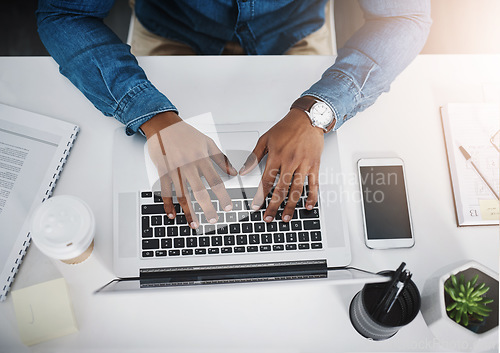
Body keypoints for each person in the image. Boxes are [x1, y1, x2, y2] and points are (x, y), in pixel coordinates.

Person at [36, 0, 431, 229]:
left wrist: (320, 109)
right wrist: (152, 118)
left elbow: (404, 17)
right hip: (170, 33)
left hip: (293, 35)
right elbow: (63, 13)